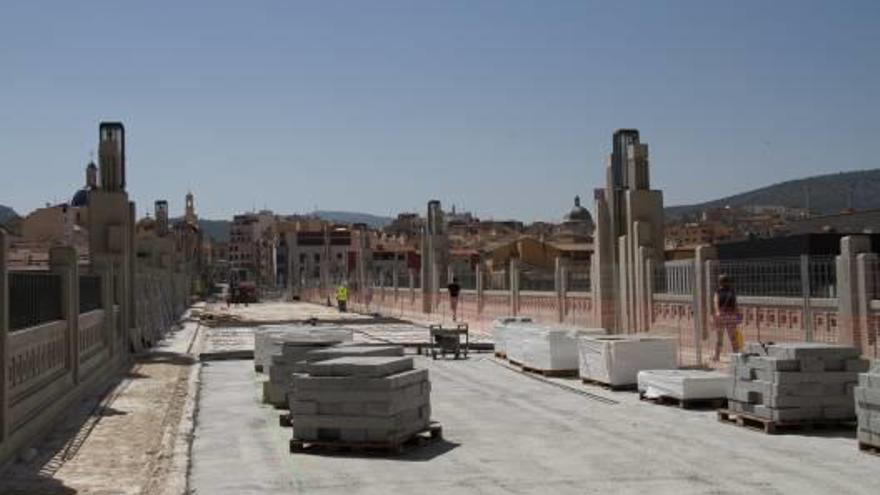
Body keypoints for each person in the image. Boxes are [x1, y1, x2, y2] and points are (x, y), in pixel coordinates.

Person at [713, 274, 740, 361]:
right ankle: (737, 356)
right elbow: (735, 305)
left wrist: (717, 312)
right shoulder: (732, 292)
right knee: (733, 337)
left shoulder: (718, 292)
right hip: (731, 315)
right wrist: (737, 315)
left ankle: (717, 356)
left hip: (721, 315)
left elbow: (716, 302)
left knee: (719, 337)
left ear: (719, 282)